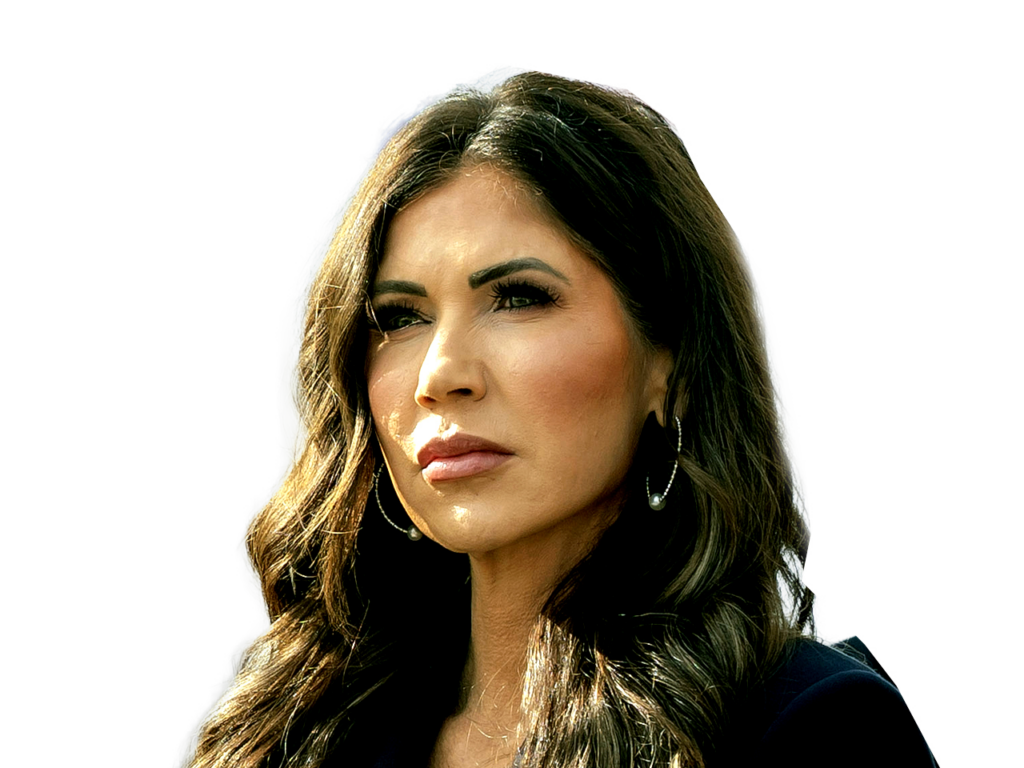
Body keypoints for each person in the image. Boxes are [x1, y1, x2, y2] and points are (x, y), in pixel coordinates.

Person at [185, 71, 939, 768]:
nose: (440, 375)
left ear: (669, 365)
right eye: (400, 316)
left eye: (519, 297)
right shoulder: (299, 731)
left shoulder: (813, 729)